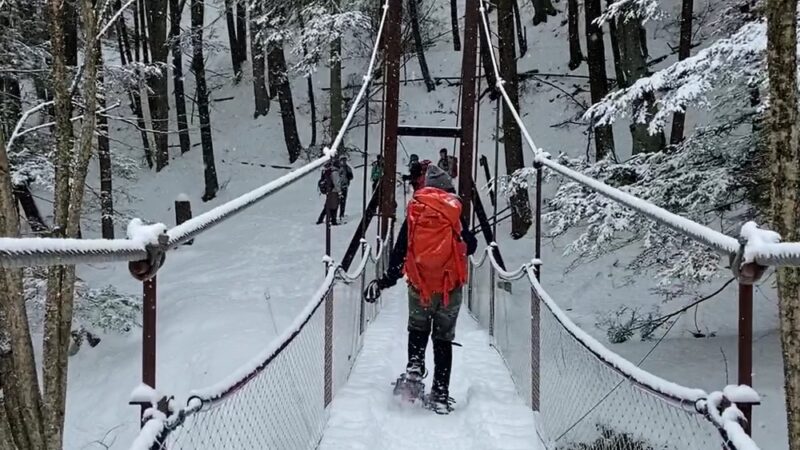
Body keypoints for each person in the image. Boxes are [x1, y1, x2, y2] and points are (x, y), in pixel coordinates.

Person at [364, 165, 477, 414]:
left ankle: (414, 369)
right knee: (443, 339)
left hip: (420, 285)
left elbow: (400, 250)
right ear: (447, 187)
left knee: (418, 329)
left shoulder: (417, 210)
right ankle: (440, 394)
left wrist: (385, 280)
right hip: (450, 288)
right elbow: (471, 247)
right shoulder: (454, 212)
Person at [316, 161, 340, 225]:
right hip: (334, 191)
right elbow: (336, 183)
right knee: (333, 206)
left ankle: (321, 219)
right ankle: (333, 220)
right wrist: (339, 191)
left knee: (328, 205)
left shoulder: (327, 171)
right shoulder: (335, 172)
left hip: (328, 190)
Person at [338, 155, 354, 220]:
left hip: (344, 186)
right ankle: (333, 215)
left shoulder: (348, 168)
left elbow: (351, 177)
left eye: (345, 160)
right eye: (342, 160)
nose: (344, 162)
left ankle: (341, 214)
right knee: (336, 202)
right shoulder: (337, 168)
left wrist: (349, 176)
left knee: (343, 201)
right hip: (337, 187)